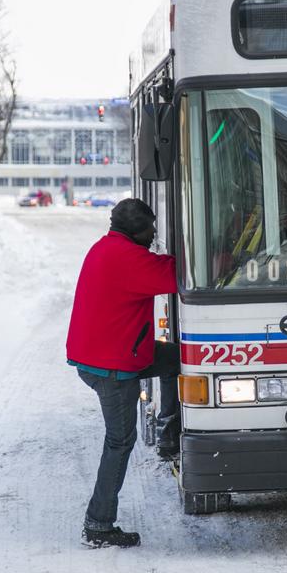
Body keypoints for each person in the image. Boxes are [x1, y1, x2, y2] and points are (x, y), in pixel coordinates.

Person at [66, 198, 180, 548]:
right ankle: (98, 524)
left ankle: (169, 429)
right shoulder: (128, 257)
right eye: (151, 229)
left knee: (178, 359)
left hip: (114, 352)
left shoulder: (107, 247)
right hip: (113, 366)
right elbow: (179, 275)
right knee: (120, 442)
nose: (154, 234)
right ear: (136, 230)